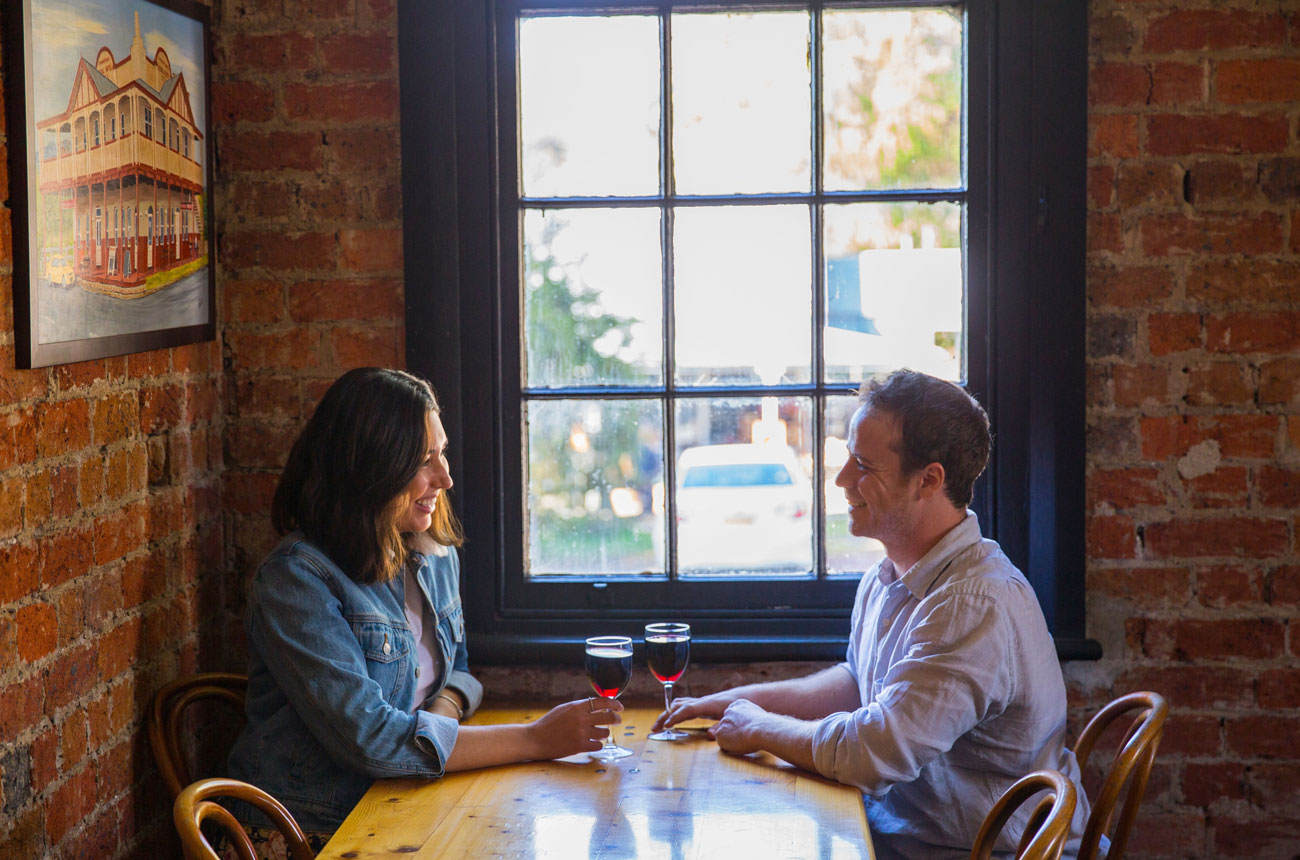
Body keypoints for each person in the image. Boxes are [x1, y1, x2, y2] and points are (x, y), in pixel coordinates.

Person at [653, 369, 1090, 860]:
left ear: (928, 480)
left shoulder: (972, 604)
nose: (841, 479)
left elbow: (871, 755)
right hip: (909, 840)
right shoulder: (888, 575)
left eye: (863, 465)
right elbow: (859, 684)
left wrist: (759, 728)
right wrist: (736, 701)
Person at [224, 367, 621, 853]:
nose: (445, 477)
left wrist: (438, 721)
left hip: (402, 803)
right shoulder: (296, 580)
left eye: (443, 452)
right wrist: (537, 739)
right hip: (310, 831)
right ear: (370, 469)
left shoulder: (434, 554)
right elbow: (370, 739)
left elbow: (460, 671)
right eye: (422, 460)